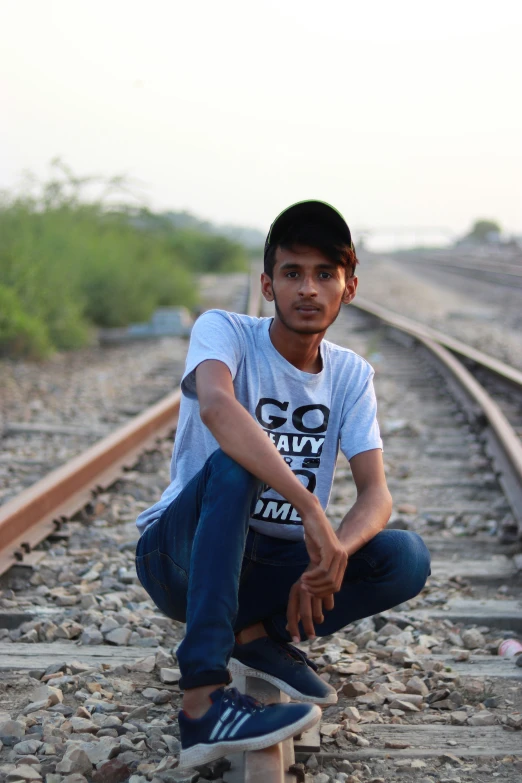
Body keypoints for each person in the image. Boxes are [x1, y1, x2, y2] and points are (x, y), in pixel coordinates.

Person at [135, 200, 431, 768]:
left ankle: (255, 634)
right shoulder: (225, 331)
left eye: (325, 275)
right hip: (182, 559)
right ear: (267, 284)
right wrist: (310, 510)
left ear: (348, 288)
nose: (308, 289)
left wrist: (334, 553)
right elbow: (220, 410)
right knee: (237, 457)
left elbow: (376, 493)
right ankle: (201, 702)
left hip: (270, 566)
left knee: (404, 556)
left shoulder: (349, 374)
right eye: (292, 273)